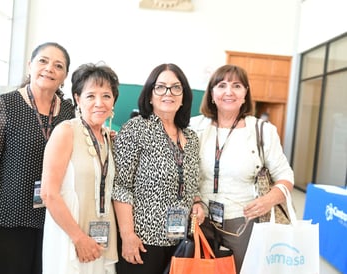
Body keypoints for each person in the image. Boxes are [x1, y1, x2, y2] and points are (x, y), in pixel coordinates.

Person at [0, 42, 75, 274]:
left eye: (58, 65)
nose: (49, 68)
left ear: (64, 76)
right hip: (8, 220)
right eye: (43, 61)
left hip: (54, 223)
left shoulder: (69, 112)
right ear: (30, 65)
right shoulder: (5, 105)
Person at [189, 64, 294, 273]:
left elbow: (285, 175)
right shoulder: (193, 127)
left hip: (244, 222)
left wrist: (269, 200)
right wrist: (195, 200)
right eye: (221, 85)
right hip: (200, 219)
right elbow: (182, 173)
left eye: (237, 86)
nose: (229, 92)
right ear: (211, 93)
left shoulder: (263, 131)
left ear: (245, 94)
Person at [112, 63, 205, 274]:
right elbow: (121, 187)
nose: (168, 93)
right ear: (150, 95)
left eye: (176, 87)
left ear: (184, 97)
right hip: (143, 241)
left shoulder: (191, 137)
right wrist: (127, 236)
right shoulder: (135, 129)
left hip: (180, 241)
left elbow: (191, 183)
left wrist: (197, 202)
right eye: (161, 87)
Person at [40, 62, 119, 274]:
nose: (99, 103)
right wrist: (79, 238)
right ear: (77, 98)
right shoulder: (66, 132)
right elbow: (48, 193)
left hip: (101, 237)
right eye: (91, 96)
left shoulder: (108, 138)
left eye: (106, 96)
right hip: (70, 236)